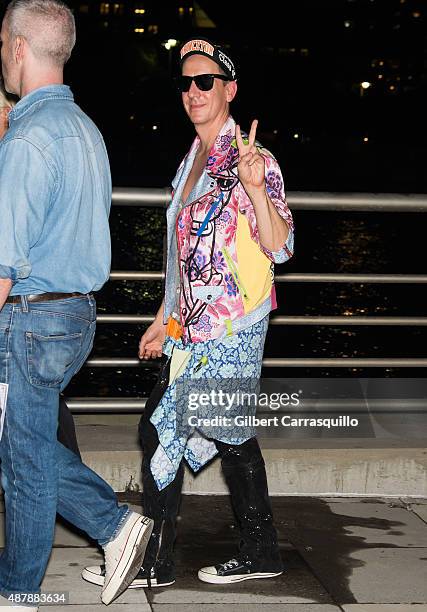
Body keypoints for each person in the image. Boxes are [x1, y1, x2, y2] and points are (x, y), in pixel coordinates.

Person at [83, 37, 294, 589]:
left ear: (230, 90)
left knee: (168, 431)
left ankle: (159, 559)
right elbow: (184, 259)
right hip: (191, 328)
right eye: (186, 83)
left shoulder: (252, 159)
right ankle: (253, 549)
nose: (194, 91)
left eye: (206, 82)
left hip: (233, 327)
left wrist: (255, 190)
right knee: (220, 432)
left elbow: (281, 246)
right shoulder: (190, 160)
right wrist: (162, 318)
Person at [0, 1, 154, 609]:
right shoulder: (86, 130)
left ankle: (108, 529)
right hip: (74, 315)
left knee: (27, 458)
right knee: (28, 449)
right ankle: (23, 585)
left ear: (17, 47)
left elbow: (3, 264)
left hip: (33, 318)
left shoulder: (30, 139)